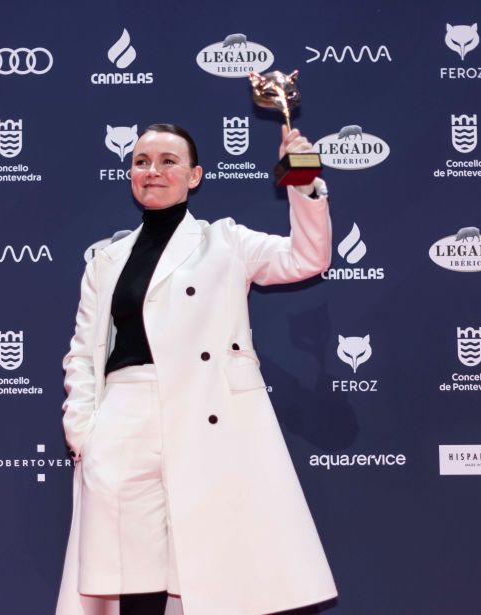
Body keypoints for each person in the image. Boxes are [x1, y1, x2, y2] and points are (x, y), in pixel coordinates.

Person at [56, 123, 337, 615]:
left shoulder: (226, 241)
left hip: (203, 415)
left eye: (168, 161)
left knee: (208, 572)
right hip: (123, 417)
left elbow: (307, 257)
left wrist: (302, 176)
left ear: (195, 176)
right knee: (131, 573)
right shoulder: (106, 259)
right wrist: (83, 431)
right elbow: (83, 353)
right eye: (142, 161)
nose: (153, 171)